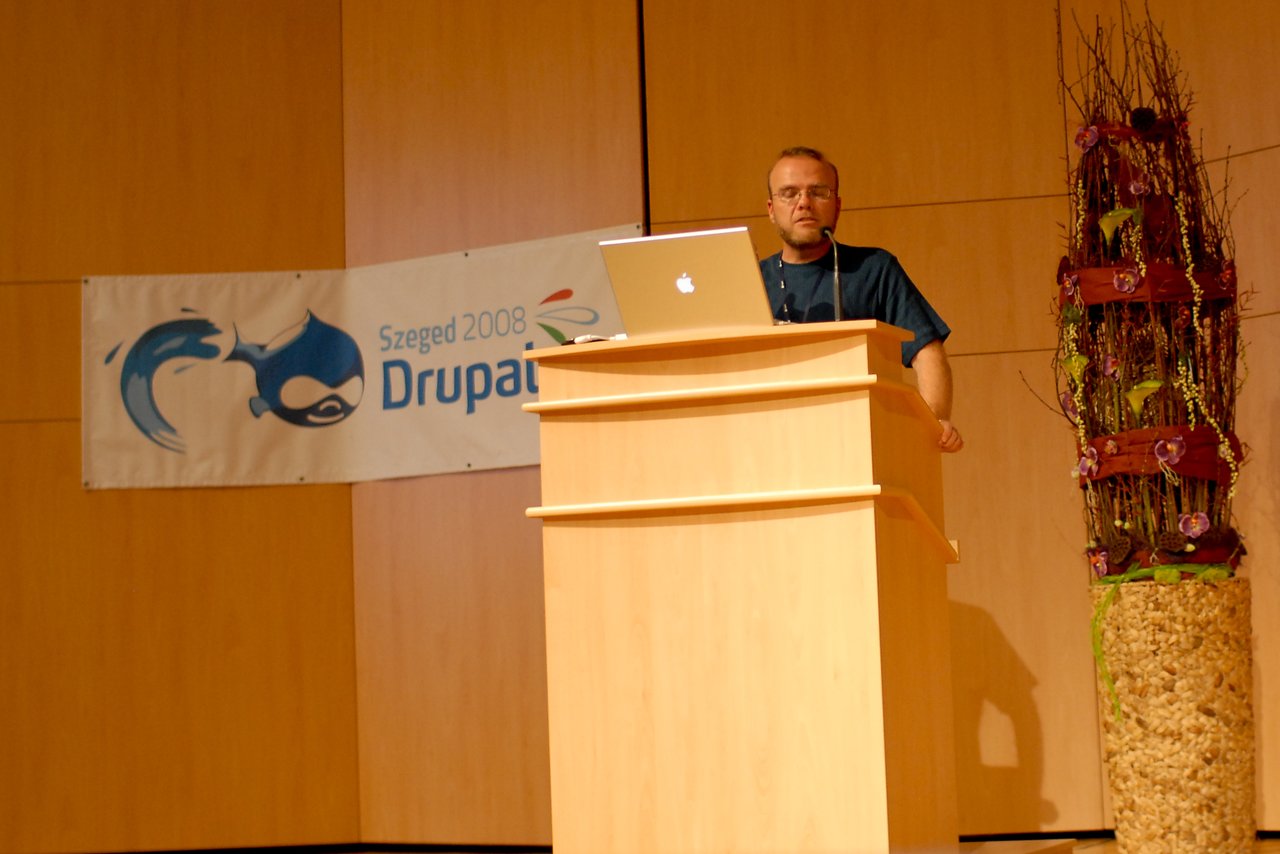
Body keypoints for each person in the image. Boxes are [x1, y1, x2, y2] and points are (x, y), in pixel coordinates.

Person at [761, 146, 964, 453]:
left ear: (838, 206)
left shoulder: (873, 269)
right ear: (771, 209)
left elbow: (927, 352)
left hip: (859, 444)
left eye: (818, 192)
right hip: (770, 444)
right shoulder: (753, 280)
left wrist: (934, 421)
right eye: (789, 193)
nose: (803, 203)